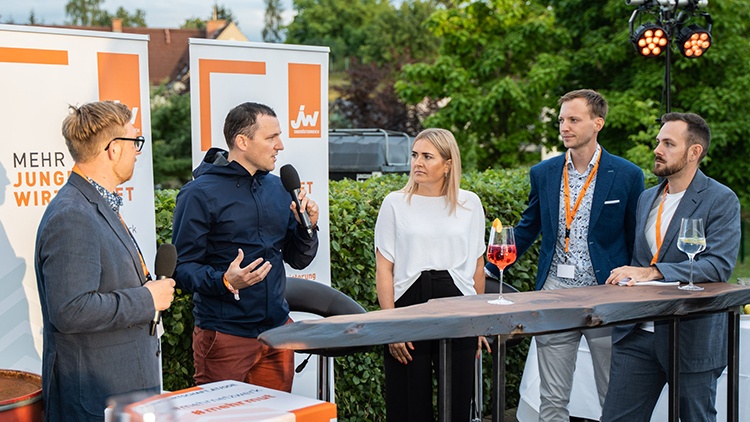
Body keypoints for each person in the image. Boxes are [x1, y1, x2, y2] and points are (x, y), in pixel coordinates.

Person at [485, 89, 644, 421]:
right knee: (552, 400)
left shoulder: (628, 175)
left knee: (612, 397)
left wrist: (640, 284)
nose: (564, 126)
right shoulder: (543, 173)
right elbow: (528, 228)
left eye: (573, 119)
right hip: (555, 293)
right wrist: (488, 269)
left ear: (597, 122)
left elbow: (636, 239)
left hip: (607, 296)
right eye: (561, 120)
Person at [35, 101, 176, 421]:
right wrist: (147, 298)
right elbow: (70, 310)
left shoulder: (92, 204)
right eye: (135, 142)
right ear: (114, 149)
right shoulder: (72, 214)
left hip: (122, 393)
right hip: (96, 400)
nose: (138, 153)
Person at [172, 102, 319, 392]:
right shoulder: (199, 194)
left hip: (277, 332)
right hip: (225, 336)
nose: (280, 145)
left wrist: (307, 227)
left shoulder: (279, 188)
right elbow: (181, 268)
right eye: (271, 137)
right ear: (242, 141)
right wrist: (225, 281)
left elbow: (298, 260)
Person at [602, 112, 740, 421]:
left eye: (668, 143)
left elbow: (717, 266)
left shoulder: (721, 200)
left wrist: (653, 272)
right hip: (636, 333)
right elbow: (638, 260)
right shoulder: (646, 198)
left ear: (694, 152)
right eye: (657, 142)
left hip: (691, 335)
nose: (657, 149)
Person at [375, 128, 489, 422]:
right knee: (408, 406)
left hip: (460, 309)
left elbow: (478, 266)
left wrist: (478, 322)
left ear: (448, 164)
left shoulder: (470, 203)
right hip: (409, 308)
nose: (417, 163)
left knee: (458, 403)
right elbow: (384, 269)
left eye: (427, 156)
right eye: (414, 155)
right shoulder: (395, 203)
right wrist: (391, 326)